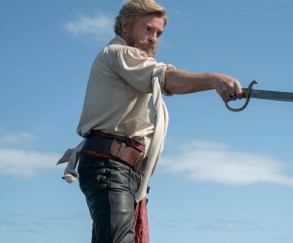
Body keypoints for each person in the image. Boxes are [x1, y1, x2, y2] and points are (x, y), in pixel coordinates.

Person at [57, 0, 243, 242]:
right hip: (110, 166)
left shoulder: (131, 67)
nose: (154, 38)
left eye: (158, 33)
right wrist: (214, 80)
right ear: (125, 26)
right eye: (147, 29)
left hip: (123, 170)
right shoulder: (118, 54)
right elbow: (163, 78)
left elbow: (160, 79)